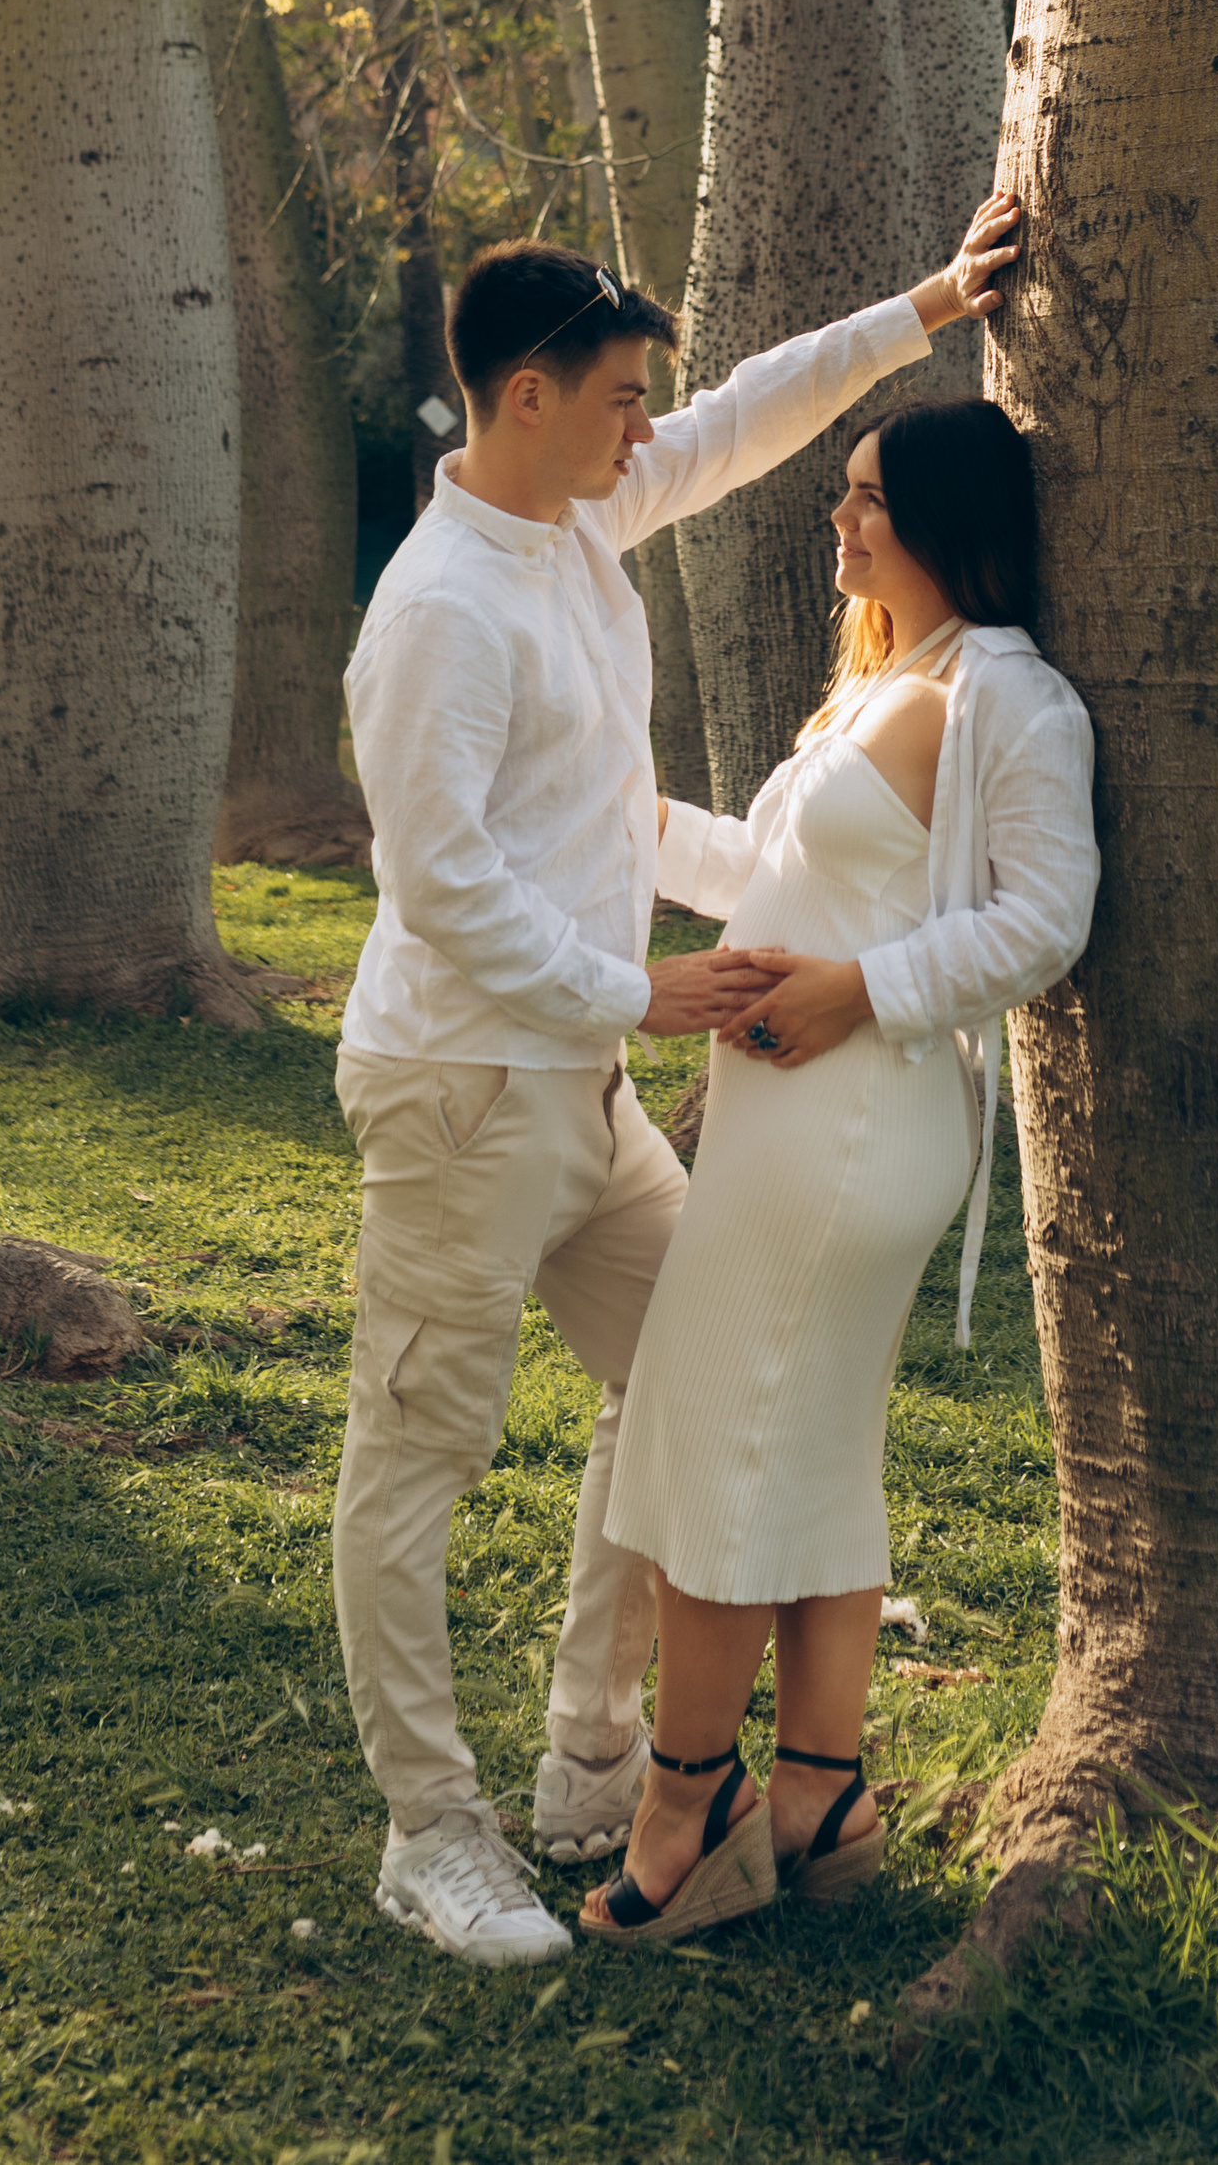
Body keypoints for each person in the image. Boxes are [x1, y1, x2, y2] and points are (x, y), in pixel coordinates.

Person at [332, 199, 1023, 1968]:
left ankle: (590, 1756)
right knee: (423, 1449)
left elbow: (749, 422)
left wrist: (926, 302)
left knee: (688, 1386)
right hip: (463, 1086)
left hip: (583, 1096)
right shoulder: (437, 611)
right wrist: (635, 993)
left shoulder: (576, 525)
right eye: (626, 397)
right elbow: (443, 885)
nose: (655, 425)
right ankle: (432, 1831)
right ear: (530, 395)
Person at [579, 394, 1097, 1947]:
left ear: (947, 520)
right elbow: (769, 873)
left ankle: (689, 1803)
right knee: (792, 1447)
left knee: (712, 1442)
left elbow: (1047, 917)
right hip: (781, 1121)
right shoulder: (885, 683)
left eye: (870, 497)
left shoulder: (1014, 694)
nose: (841, 519)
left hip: (861, 1119)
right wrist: (615, 817)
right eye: (842, 495)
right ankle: (821, 1790)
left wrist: (854, 991)